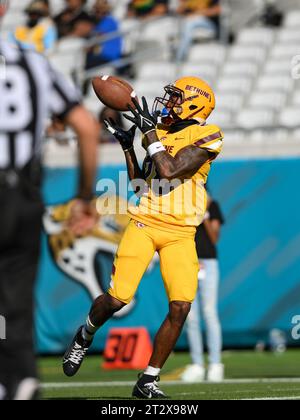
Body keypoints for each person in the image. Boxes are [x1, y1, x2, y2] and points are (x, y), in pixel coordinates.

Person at [63, 76, 224, 399]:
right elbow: (141, 184)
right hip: (145, 224)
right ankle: (85, 334)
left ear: (196, 103)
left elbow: (171, 169)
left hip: (181, 233)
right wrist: (127, 146)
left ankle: (148, 379)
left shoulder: (208, 134)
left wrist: (148, 133)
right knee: (116, 299)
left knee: (180, 307)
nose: (170, 103)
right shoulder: (159, 133)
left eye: (177, 98)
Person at [0, 0, 99, 400]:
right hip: (23, 193)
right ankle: (22, 378)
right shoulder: (33, 62)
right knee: (17, 301)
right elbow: (86, 127)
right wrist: (85, 197)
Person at [181, 194, 225, 383]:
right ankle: (197, 364)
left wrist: (204, 214)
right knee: (190, 315)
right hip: (187, 261)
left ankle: (215, 363)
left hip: (208, 261)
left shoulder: (212, 205)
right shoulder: (182, 204)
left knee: (209, 312)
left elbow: (214, 238)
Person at [85, 0, 123, 70]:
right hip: (100, 56)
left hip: (108, 57)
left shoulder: (110, 22)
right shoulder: (96, 22)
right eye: (97, 11)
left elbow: (97, 38)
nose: (99, 13)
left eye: (103, 11)